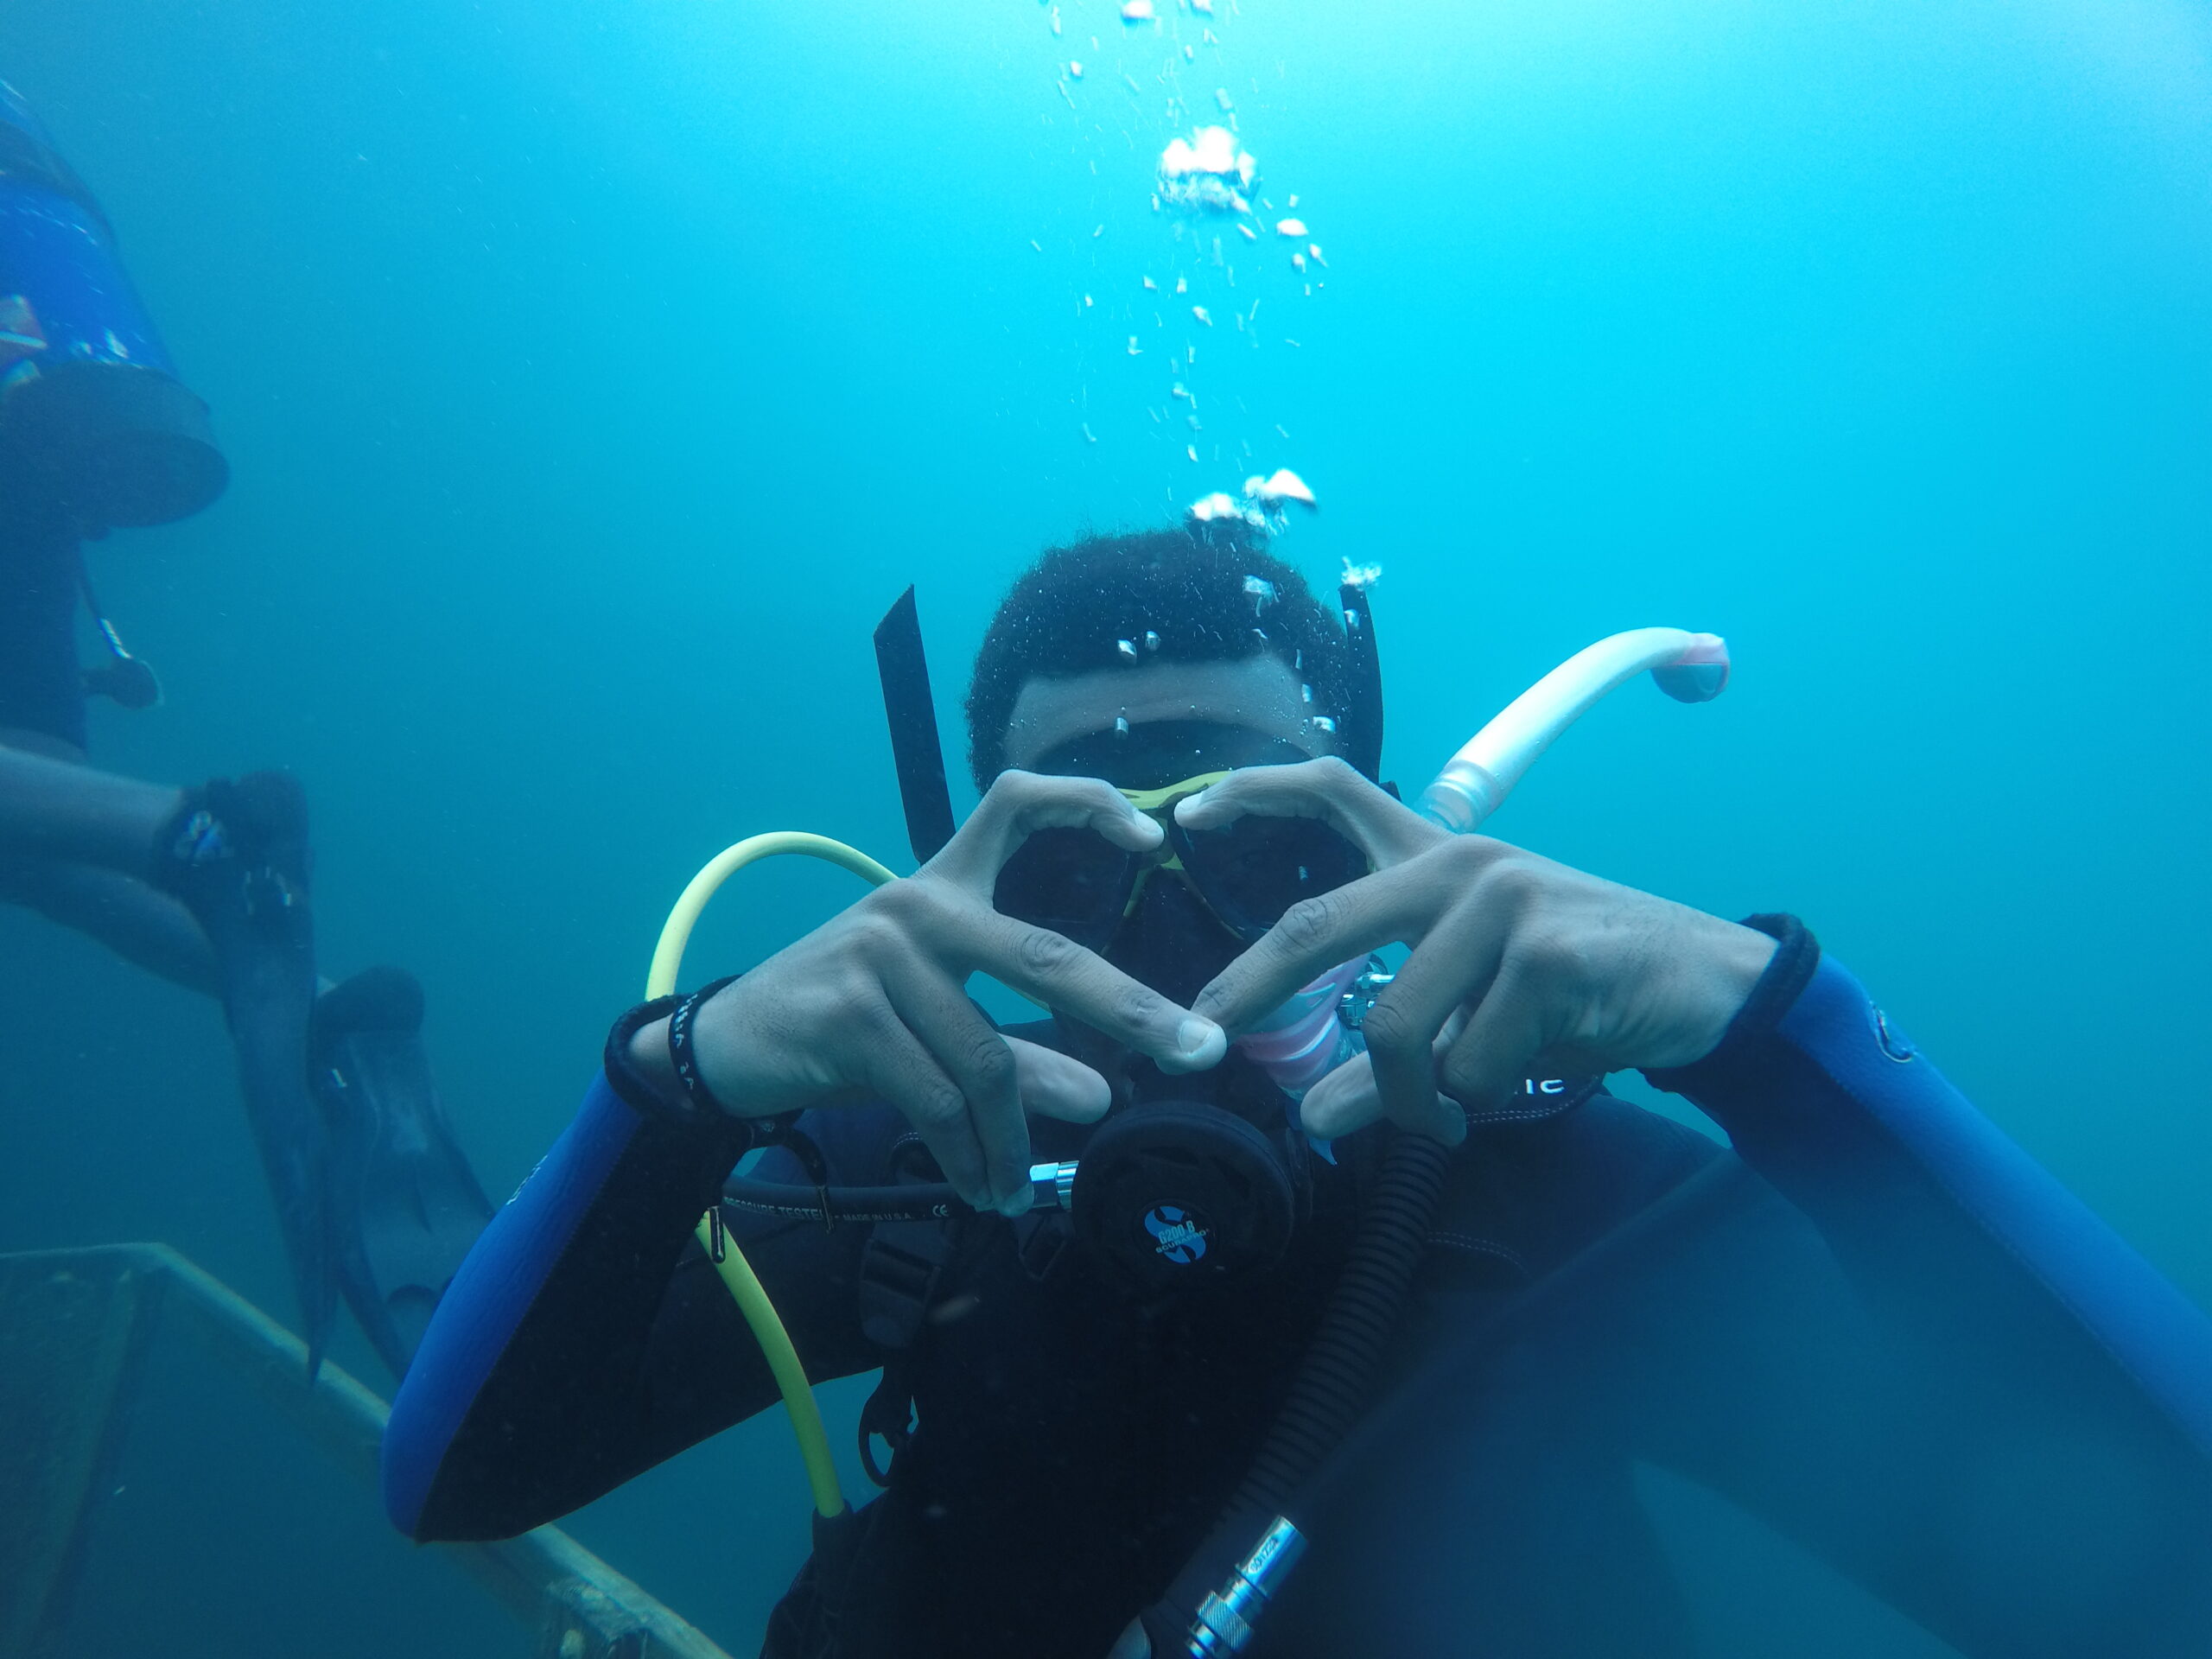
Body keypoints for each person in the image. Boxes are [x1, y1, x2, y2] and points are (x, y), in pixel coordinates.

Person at [382, 529, 2212, 1657]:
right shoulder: (922, 1165)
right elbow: (458, 1478)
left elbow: (2164, 1548)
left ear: (1385, 843)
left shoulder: (1555, 1194)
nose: (1184, 951)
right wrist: (678, 1079)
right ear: (968, 877)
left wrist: (1779, 1032)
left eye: (1260, 847)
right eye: (1080, 864)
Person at [0, 77, 487, 1377]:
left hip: (41, 394)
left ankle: (196, 836)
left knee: (68, 827)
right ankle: (326, 1017)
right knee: (36, 824)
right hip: (53, 407)